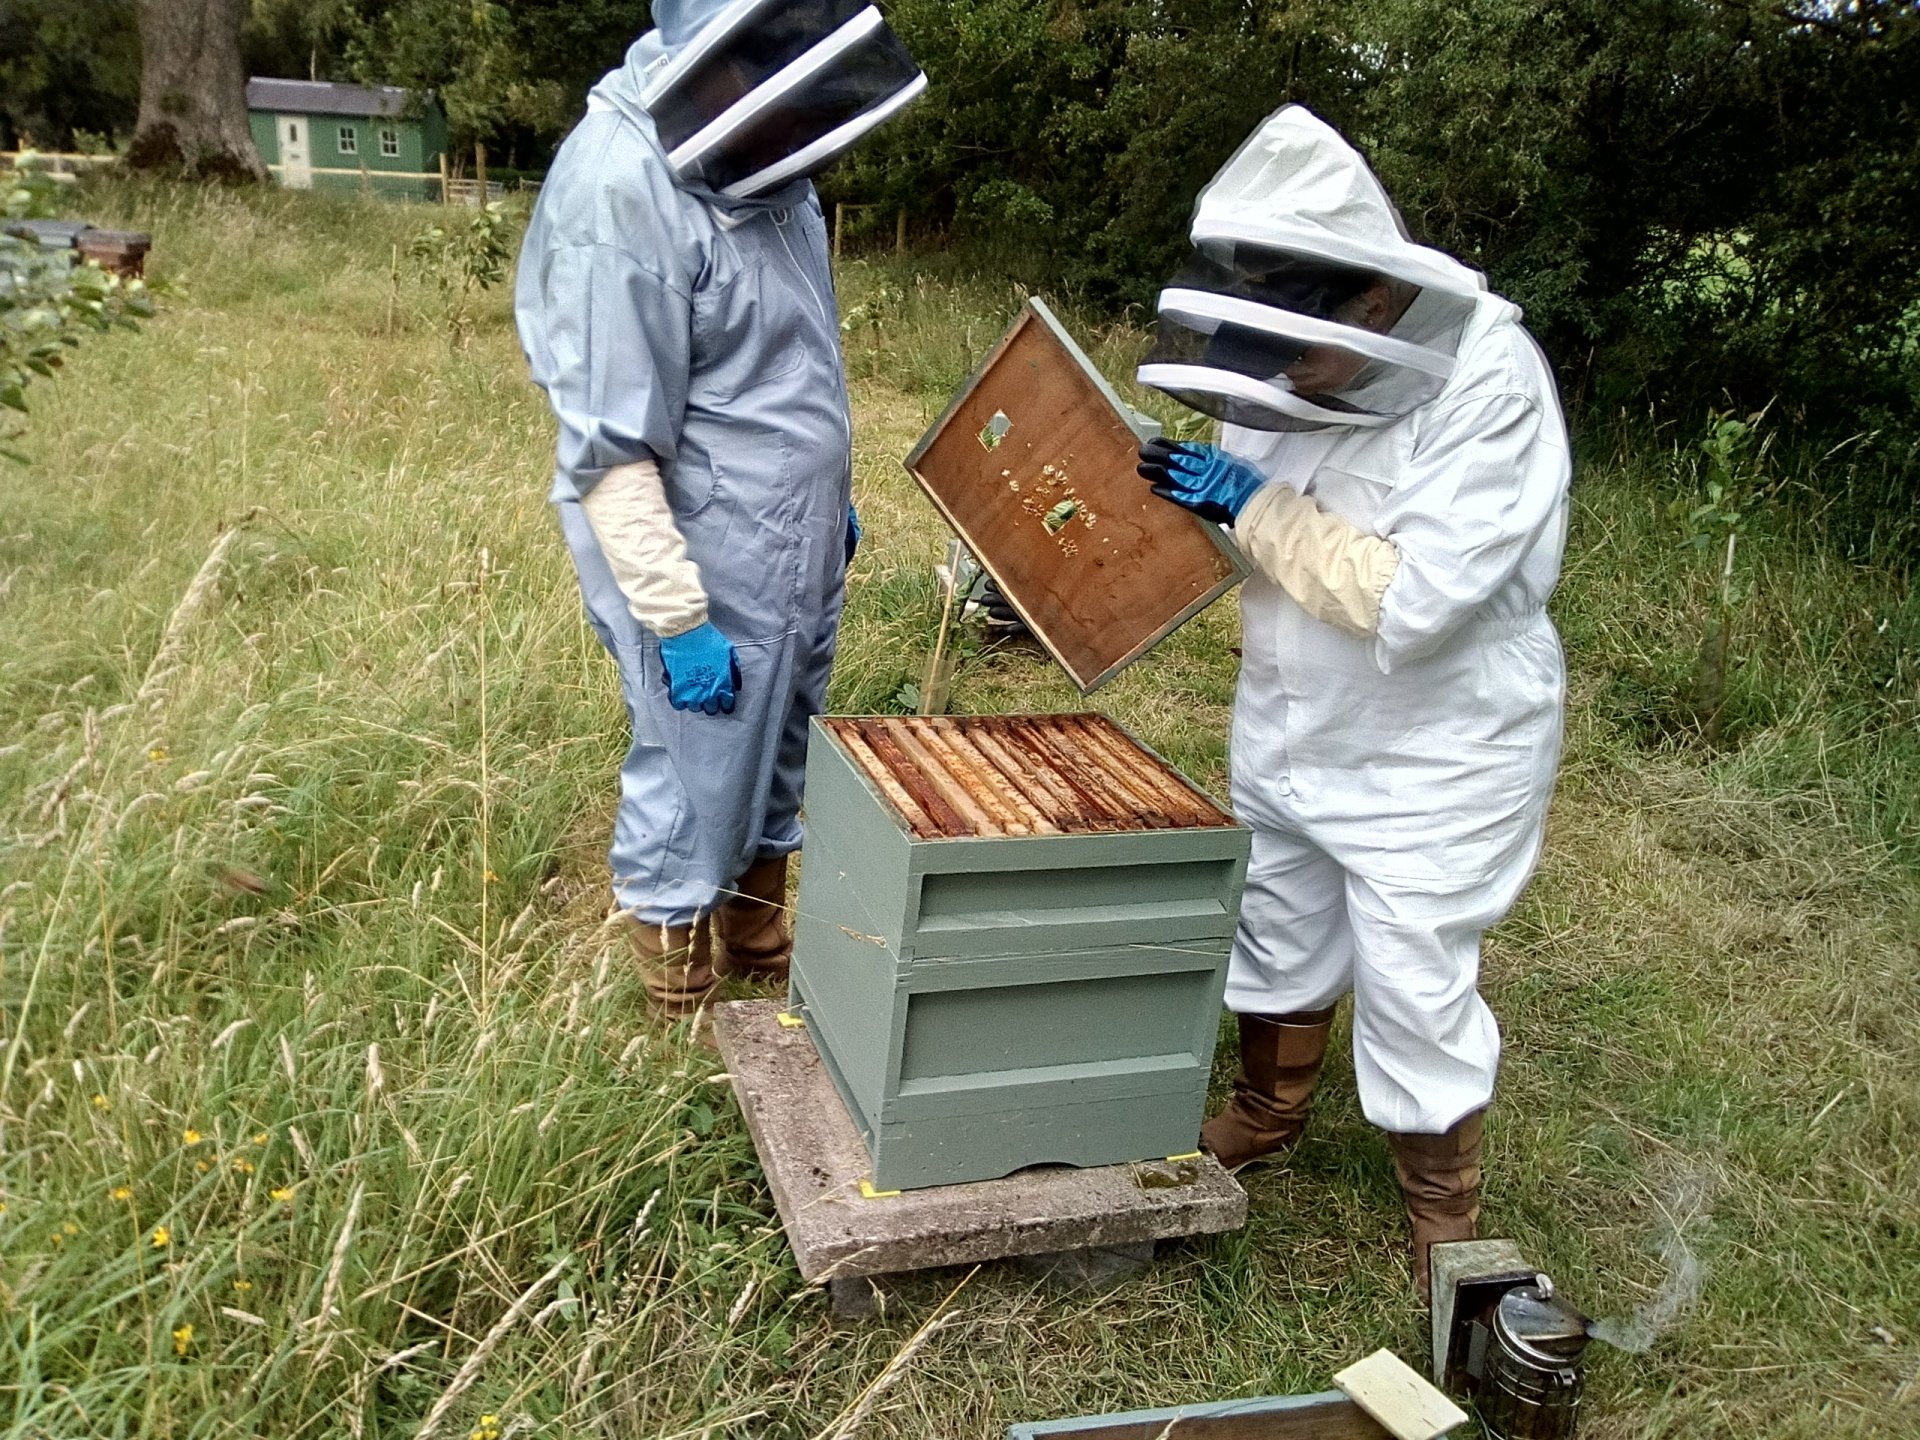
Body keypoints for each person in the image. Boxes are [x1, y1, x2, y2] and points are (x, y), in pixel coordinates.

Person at [1135, 106, 1572, 1295]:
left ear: (1374, 306)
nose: (1270, 379)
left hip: (1437, 739)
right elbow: (1269, 527)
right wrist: (1186, 500)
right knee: (1278, 913)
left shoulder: (1492, 383)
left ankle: (1443, 1210)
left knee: (1410, 964)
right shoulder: (1284, 349)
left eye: (1295, 350)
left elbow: (1412, 600)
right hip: (1289, 704)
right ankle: (1266, 1115)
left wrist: (1250, 507)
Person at [515, 0, 926, 1025]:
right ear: (720, 61)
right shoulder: (618, 194)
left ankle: (759, 948)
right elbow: (610, 451)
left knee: (782, 748)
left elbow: (788, 359)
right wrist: (676, 617)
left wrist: (830, 504)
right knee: (694, 768)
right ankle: (677, 1001)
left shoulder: (770, 151)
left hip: (793, 540)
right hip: (696, 550)